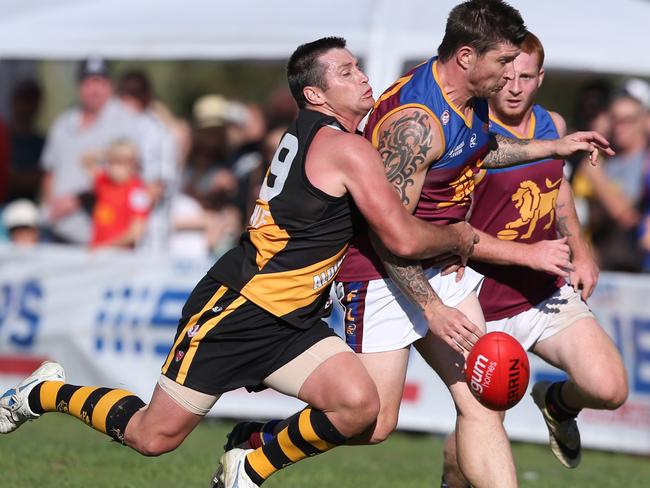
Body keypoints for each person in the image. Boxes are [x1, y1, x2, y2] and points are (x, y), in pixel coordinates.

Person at [0, 37, 478, 488]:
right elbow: (401, 235)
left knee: (360, 408)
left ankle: (250, 463)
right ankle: (44, 392)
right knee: (152, 437)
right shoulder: (343, 147)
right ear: (316, 93)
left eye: (357, 67)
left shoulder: (330, 139)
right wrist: (459, 237)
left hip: (293, 319)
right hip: (238, 311)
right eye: (347, 71)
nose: (362, 76)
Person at [220, 2, 614, 487]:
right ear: (467, 56)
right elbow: (390, 236)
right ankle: (257, 448)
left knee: (481, 401)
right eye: (502, 62)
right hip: (382, 276)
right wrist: (431, 306)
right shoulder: (416, 124)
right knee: (372, 422)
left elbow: (478, 147)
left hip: (439, 265)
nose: (510, 75)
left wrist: (550, 147)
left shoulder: (467, 98)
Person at [440, 32, 628, 488]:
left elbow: (558, 189)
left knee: (610, 387)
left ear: (540, 78)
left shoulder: (552, 123)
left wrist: (581, 251)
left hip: (544, 292)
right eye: (506, 75)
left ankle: (557, 403)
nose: (515, 86)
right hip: (483, 304)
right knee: (480, 423)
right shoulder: (469, 131)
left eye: (526, 76)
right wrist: (526, 253)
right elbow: (449, 225)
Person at [40, 57, 139, 245]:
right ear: (78, 86)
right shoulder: (63, 123)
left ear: (110, 85)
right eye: (88, 82)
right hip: (57, 230)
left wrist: (78, 199)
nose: (94, 89)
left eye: (100, 81)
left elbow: (128, 175)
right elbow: (50, 172)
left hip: (101, 235)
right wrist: (50, 206)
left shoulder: (124, 122)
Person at [87, 139, 152, 249]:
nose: (116, 167)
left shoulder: (137, 192)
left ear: (133, 164)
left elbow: (136, 232)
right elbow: (86, 160)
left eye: (123, 161)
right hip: (97, 254)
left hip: (119, 257)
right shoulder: (104, 182)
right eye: (112, 161)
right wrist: (106, 153)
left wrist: (106, 248)